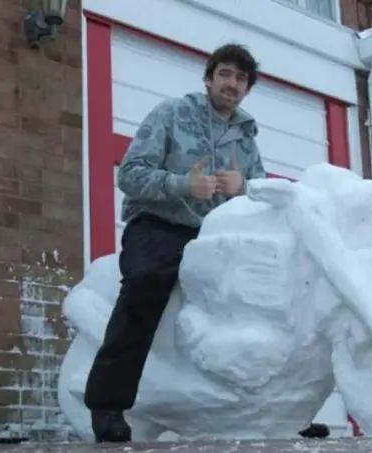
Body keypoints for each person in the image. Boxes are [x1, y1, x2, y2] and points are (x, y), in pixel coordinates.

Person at [83, 43, 329, 443]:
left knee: (280, 293)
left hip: (218, 233)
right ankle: (107, 403)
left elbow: (263, 196)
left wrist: (244, 186)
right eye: (225, 74)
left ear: (248, 88)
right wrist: (184, 184)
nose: (232, 83)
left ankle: (281, 411)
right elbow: (129, 174)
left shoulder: (247, 137)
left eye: (241, 78)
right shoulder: (171, 114)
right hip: (161, 224)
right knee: (145, 280)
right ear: (209, 78)